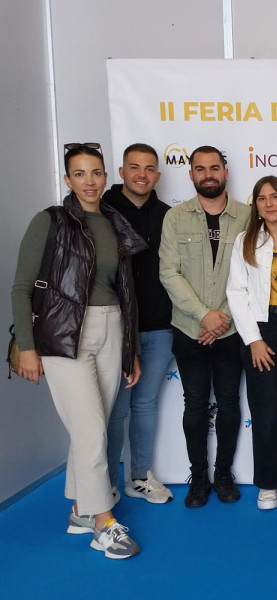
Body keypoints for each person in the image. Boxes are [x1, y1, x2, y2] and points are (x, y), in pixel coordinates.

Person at [11, 142, 145, 559]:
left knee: (96, 427)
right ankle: (103, 522)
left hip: (112, 329)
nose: (90, 181)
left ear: (107, 177)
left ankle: (79, 509)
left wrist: (131, 350)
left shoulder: (113, 221)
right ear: (68, 179)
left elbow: (125, 292)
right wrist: (28, 349)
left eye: (97, 172)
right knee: (89, 430)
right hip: (62, 334)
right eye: (81, 174)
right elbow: (21, 287)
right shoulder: (49, 221)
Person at [159, 145, 251, 508]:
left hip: (232, 330)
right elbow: (168, 272)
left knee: (228, 403)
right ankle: (198, 476)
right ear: (191, 175)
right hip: (189, 329)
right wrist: (203, 315)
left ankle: (223, 473)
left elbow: (253, 273)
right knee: (195, 403)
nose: (208, 174)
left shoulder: (247, 216)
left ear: (225, 173)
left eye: (215, 167)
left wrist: (221, 317)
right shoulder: (176, 218)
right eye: (201, 169)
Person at [226, 175, 277, 510]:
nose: (269, 203)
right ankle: (268, 482)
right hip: (263, 330)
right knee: (267, 411)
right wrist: (254, 340)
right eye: (262, 198)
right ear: (256, 206)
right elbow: (237, 293)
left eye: (276, 196)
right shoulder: (245, 241)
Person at [104, 143, 174, 504]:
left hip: (160, 325)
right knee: (116, 408)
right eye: (135, 167)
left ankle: (139, 477)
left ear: (157, 175)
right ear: (121, 172)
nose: (142, 174)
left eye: (149, 168)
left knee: (145, 404)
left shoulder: (168, 215)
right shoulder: (102, 210)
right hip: (114, 326)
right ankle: (105, 483)